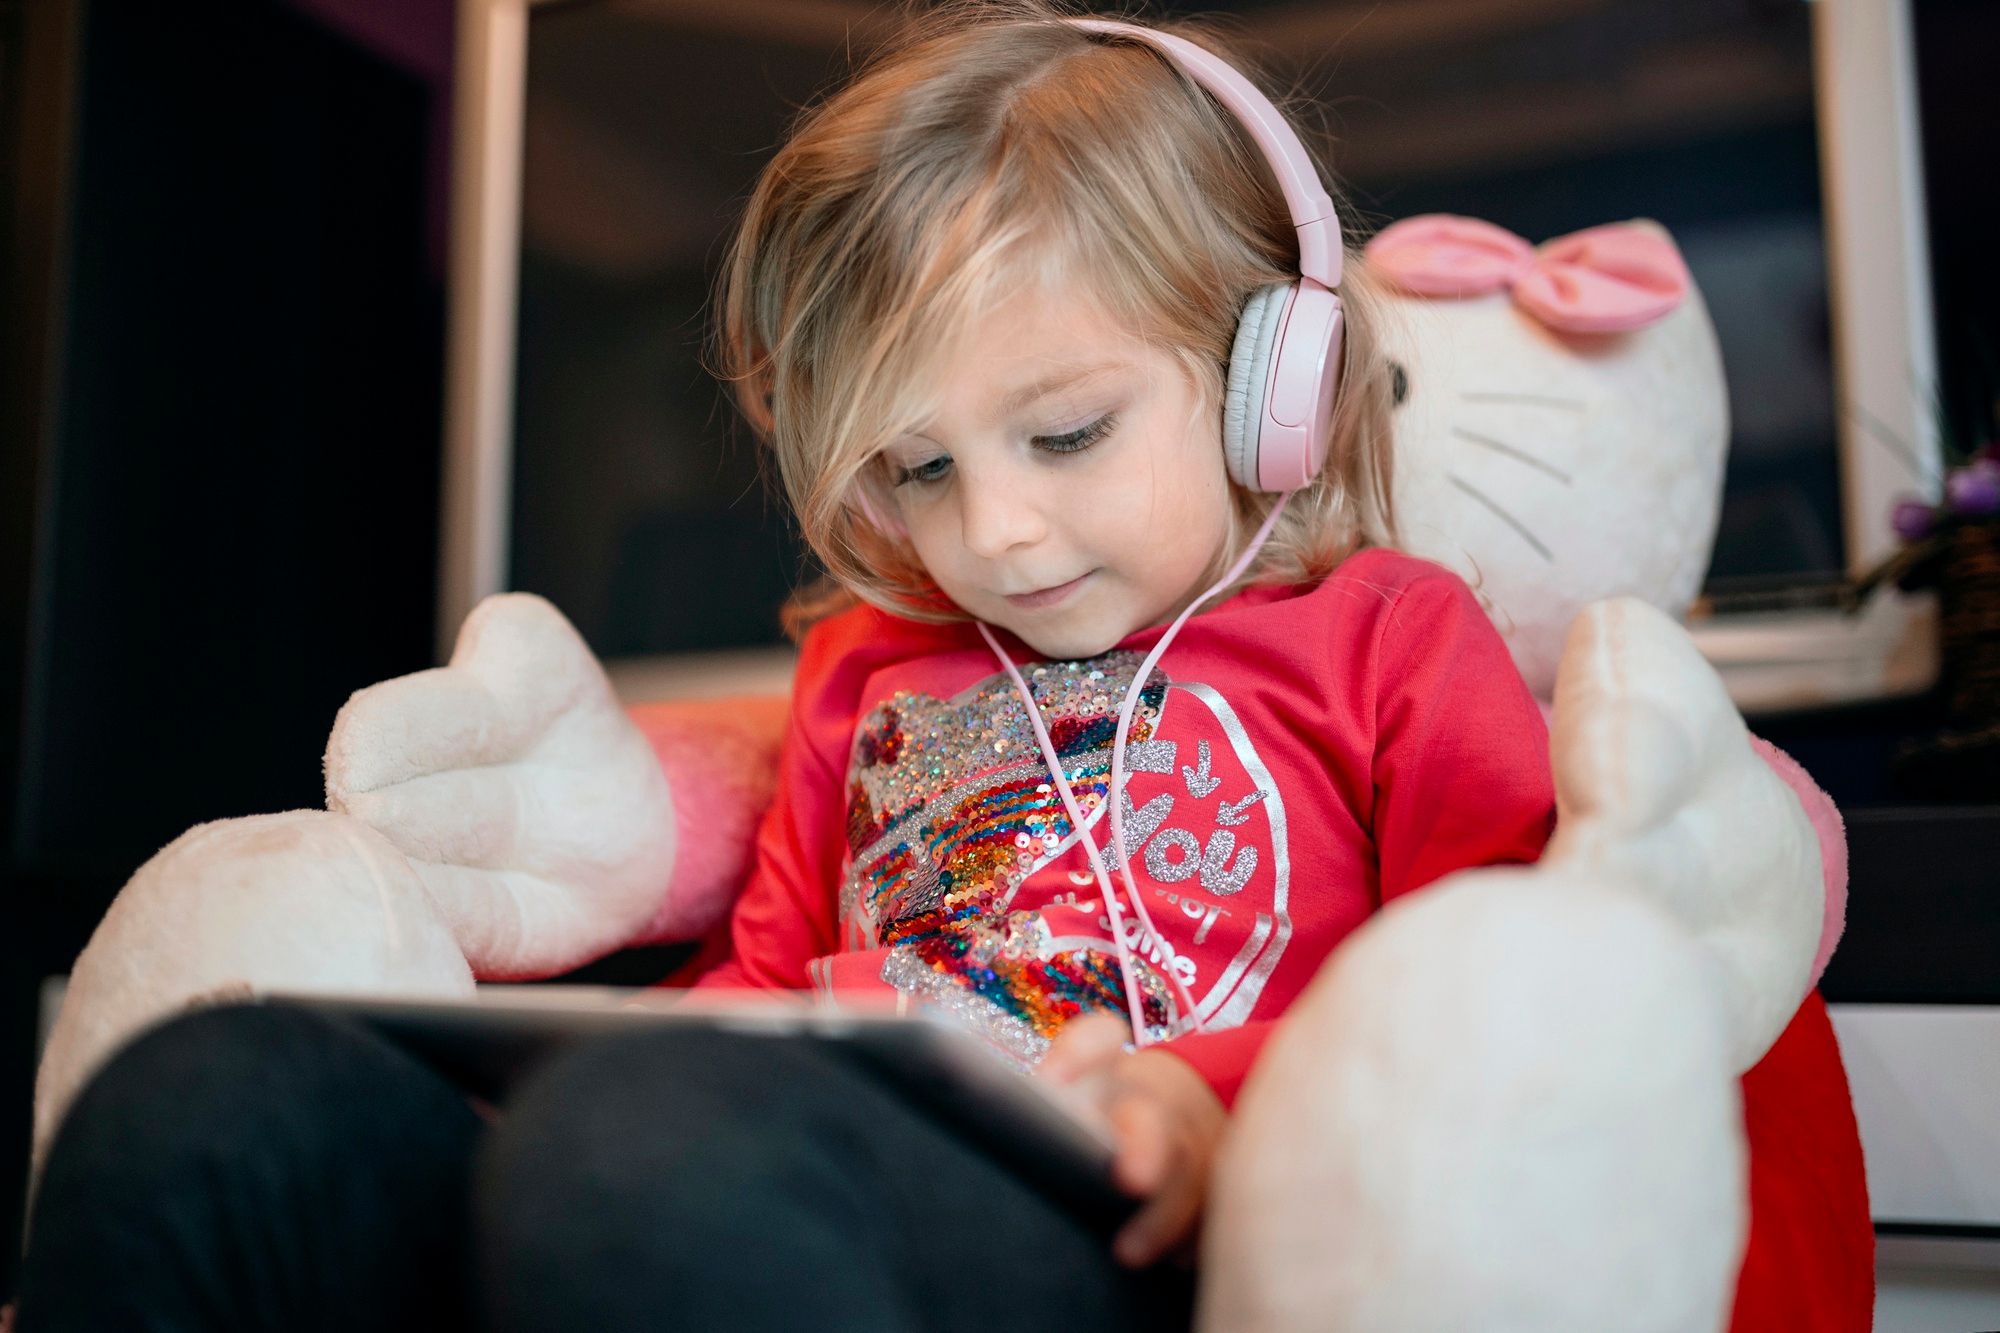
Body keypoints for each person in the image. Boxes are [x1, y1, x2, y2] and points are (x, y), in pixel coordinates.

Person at [14, 5, 1554, 1329]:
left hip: (1128, 1225)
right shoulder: (873, 668)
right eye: (920, 466)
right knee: (218, 1096)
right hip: (747, 1155)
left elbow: (1496, 1002)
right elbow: (764, 980)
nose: (997, 533)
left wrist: (1225, 1110)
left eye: (1067, 431)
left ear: (1264, 377)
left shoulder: (1389, 639)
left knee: (646, 1143)